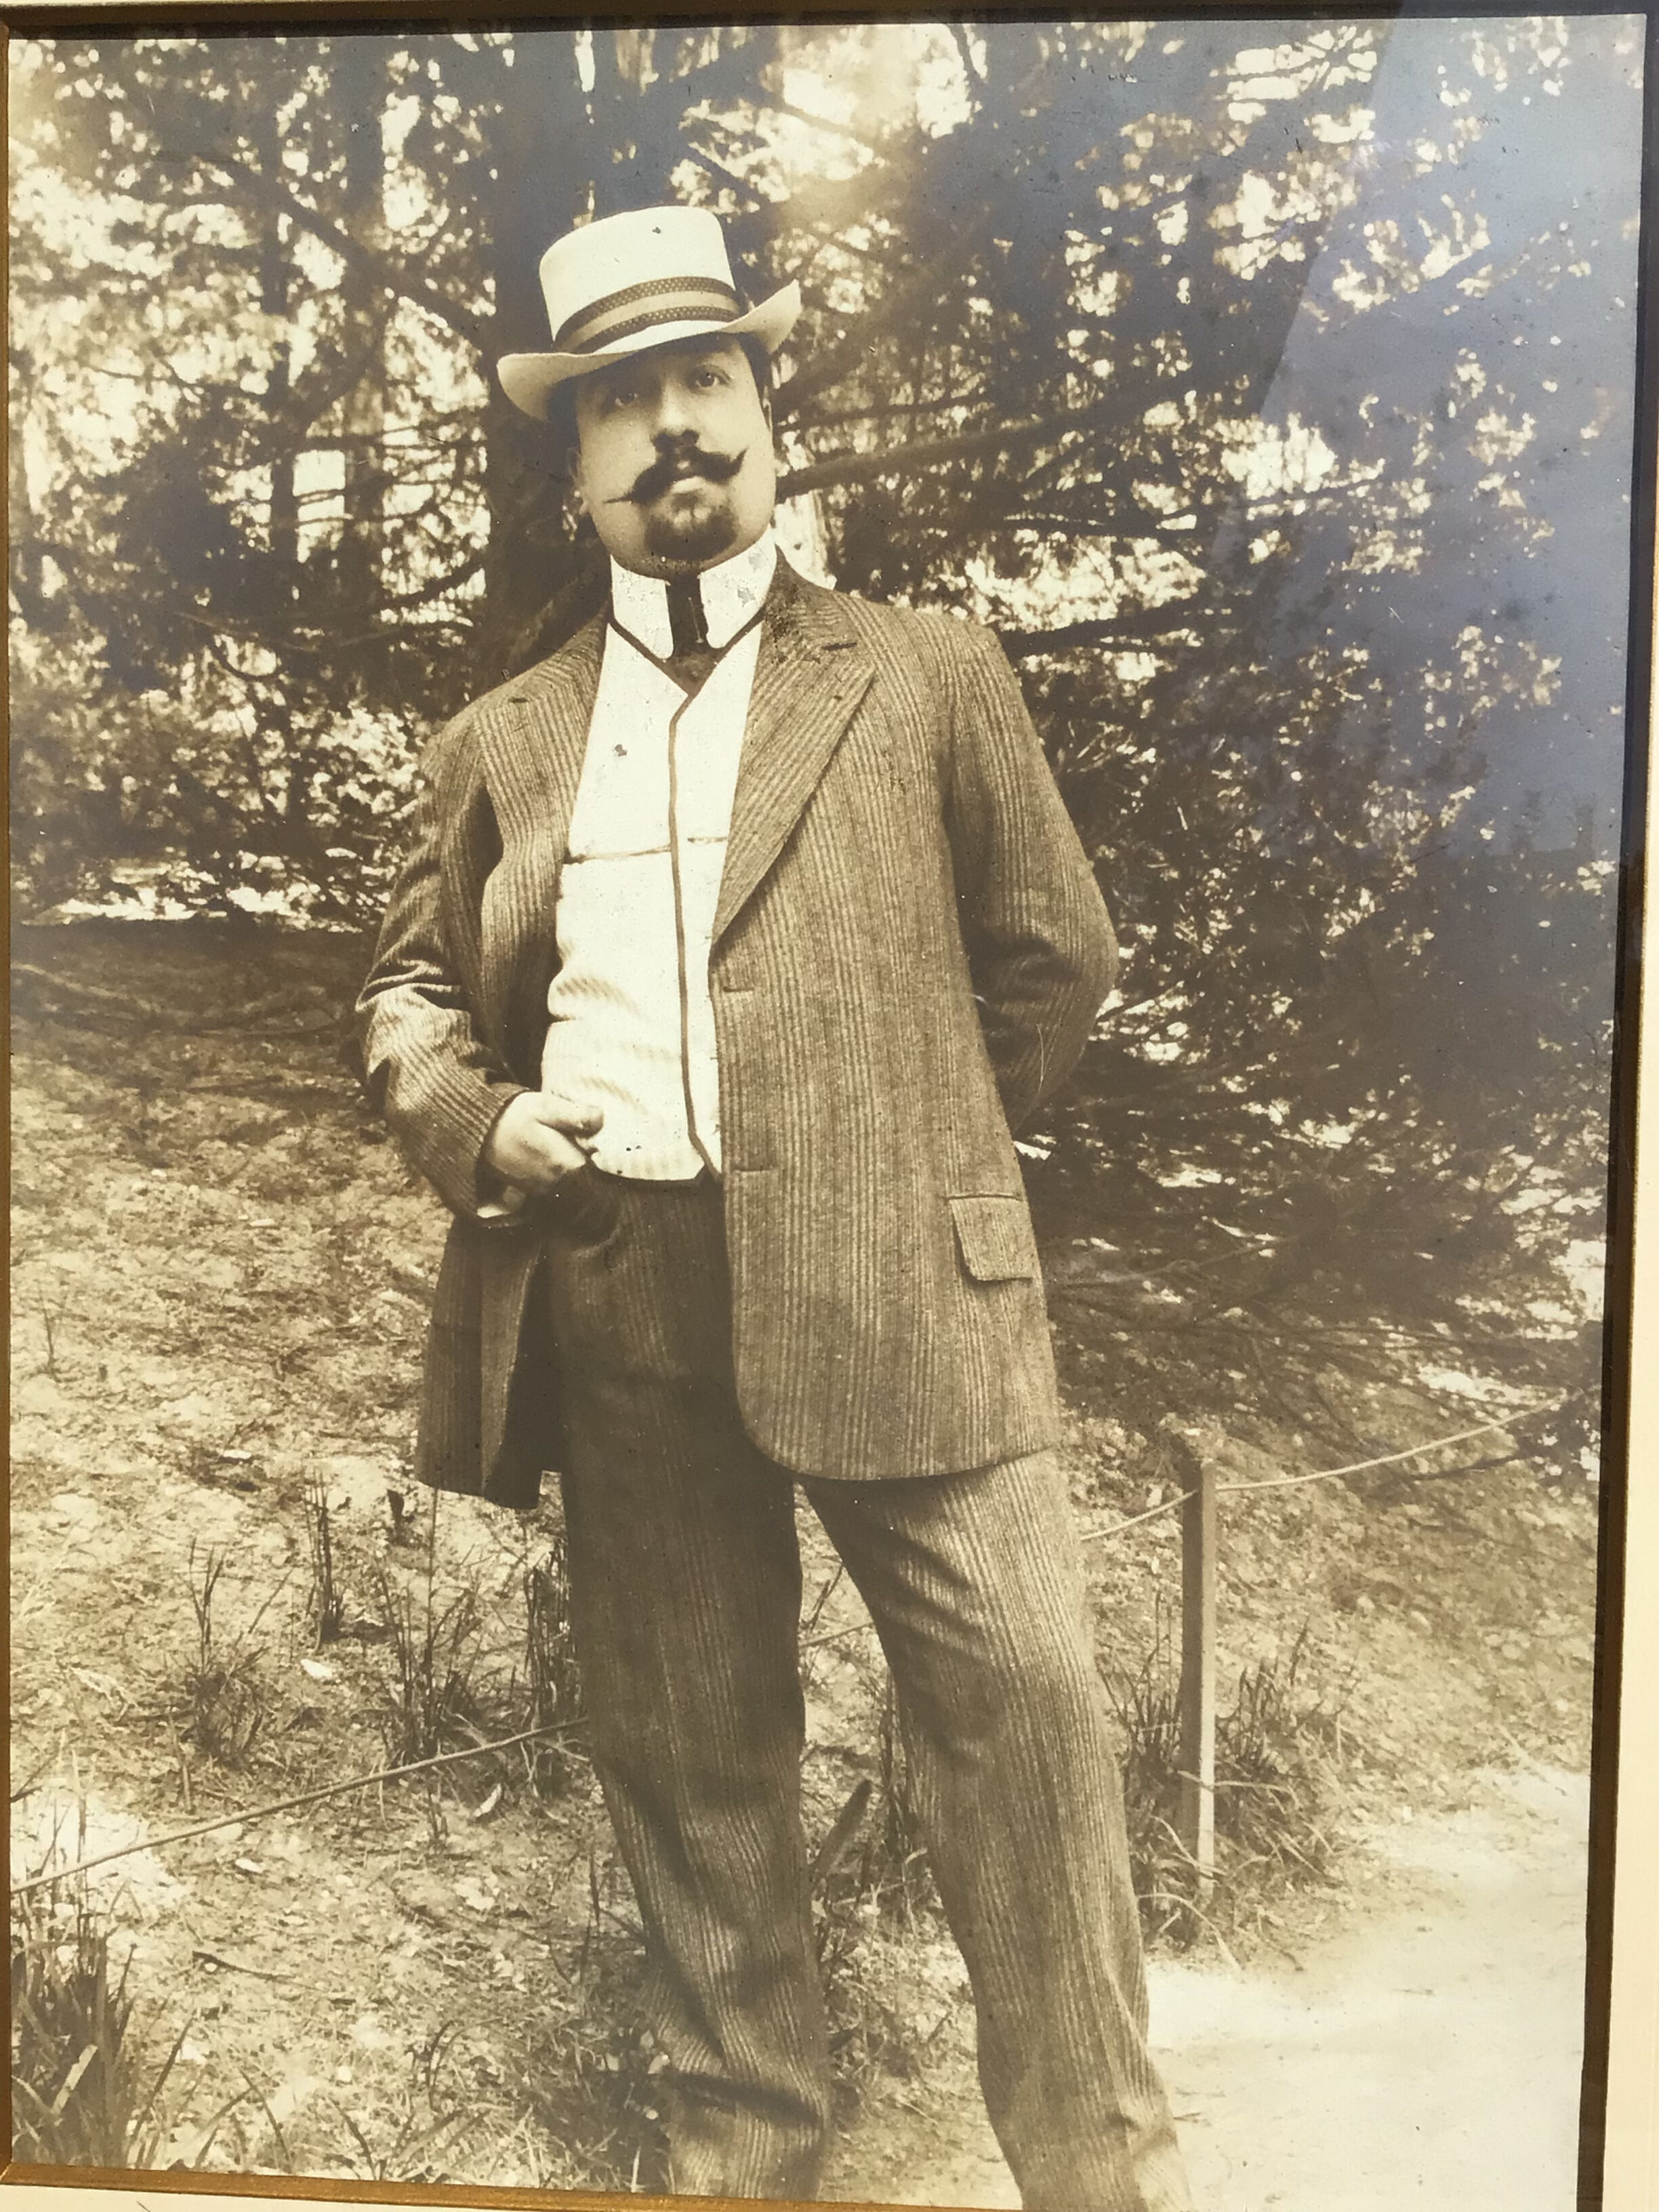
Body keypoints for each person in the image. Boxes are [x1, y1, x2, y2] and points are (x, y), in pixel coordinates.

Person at [358, 203, 1193, 2212]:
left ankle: (1098, 2172)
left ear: (768, 410)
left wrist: (905, 1151)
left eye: (703, 382)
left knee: (1025, 1716)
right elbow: (399, 991)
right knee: (690, 1753)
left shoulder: (925, 677)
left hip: (912, 1283)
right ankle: (745, 2157)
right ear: (571, 470)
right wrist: (475, 1126)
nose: (671, 433)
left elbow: (1054, 961)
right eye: (620, 404)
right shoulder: (507, 735)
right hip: (619, 1280)